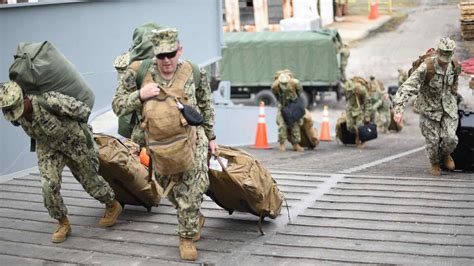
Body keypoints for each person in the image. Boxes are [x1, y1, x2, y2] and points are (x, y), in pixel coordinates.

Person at [112, 28, 217, 261]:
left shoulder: (194, 71)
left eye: (171, 54)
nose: (167, 60)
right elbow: (117, 105)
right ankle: (192, 216)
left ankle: (186, 237)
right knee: (172, 190)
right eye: (161, 56)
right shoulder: (138, 73)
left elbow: (206, 104)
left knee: (191, 189)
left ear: (179, 50)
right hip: (157, 144)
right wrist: (140, 94)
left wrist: (211, 137)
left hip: (192, 139)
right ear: (154, 55)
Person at [0, 82, 122, 243]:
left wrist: (83, 138)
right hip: (48, 147)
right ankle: (63, 223)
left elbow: (83, 110)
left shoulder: (50, 101)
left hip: (74, 143)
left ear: (25, 99)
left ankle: (112, 204)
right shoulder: (18, 116)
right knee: (48, 186)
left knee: (91, 182)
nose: (17, 116)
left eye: (17, 109)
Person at [393, 37, 461, 176]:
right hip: (429, 109)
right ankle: (435, 162)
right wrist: (399, 110)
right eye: (442, 59)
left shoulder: (454, 64)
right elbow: (406, 88)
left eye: (447, 59)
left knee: (451, 139)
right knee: (433, 142)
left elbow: (454, 81)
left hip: (448, 108)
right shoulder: (427, 67)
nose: (444, 63)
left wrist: (454, 95)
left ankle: (445, 154)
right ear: (438, 53)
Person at [271, 69, 304, 152]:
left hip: (293, 106)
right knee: (282, 125)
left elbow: (299, 92)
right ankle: (282, 144)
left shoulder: (295, 83)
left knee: (295, 125)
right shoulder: (276, 86)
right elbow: (275, 94)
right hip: (282, 107)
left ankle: (296, 145)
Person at [344, 77, 372, 148]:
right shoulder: (348, 89)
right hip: (350, 109)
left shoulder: (362, 90)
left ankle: (361, 140)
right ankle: (357, 134)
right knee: (349, 127)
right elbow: (347, 99)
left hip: (360, 110)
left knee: (360, 127)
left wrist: (367, 115)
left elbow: (367, 103)